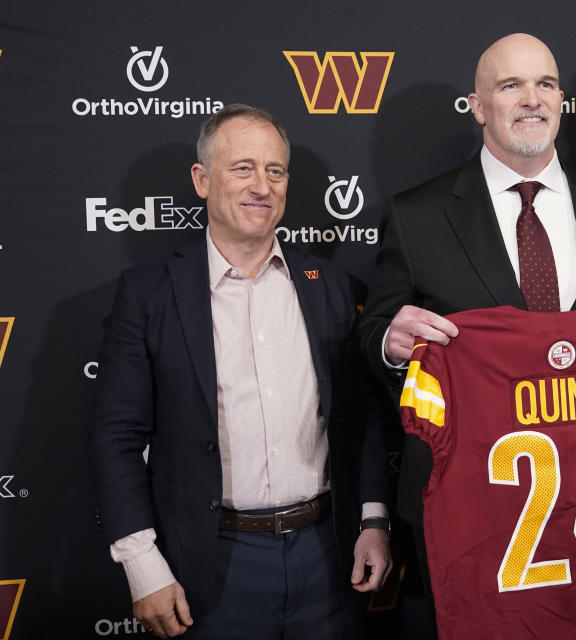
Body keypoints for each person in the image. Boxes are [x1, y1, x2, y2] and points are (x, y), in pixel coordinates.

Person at [357, 32, 576, 631]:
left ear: (561, 99)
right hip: (479, 512)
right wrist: (390, 345)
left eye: (545, 83)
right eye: (510, 85)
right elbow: (370, 336)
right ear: (477, 107)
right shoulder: (417, 214)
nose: (532, 99)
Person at [90, 104, 392, 639]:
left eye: (275, 171)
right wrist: (141, 564)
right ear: (202, 180)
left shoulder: (332, 287)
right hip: (207, 564)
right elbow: (116, 436)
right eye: (243, 168)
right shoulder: (148, 292)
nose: (262, 185)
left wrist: (372, 520)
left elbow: (360, 415)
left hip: (327, 554)